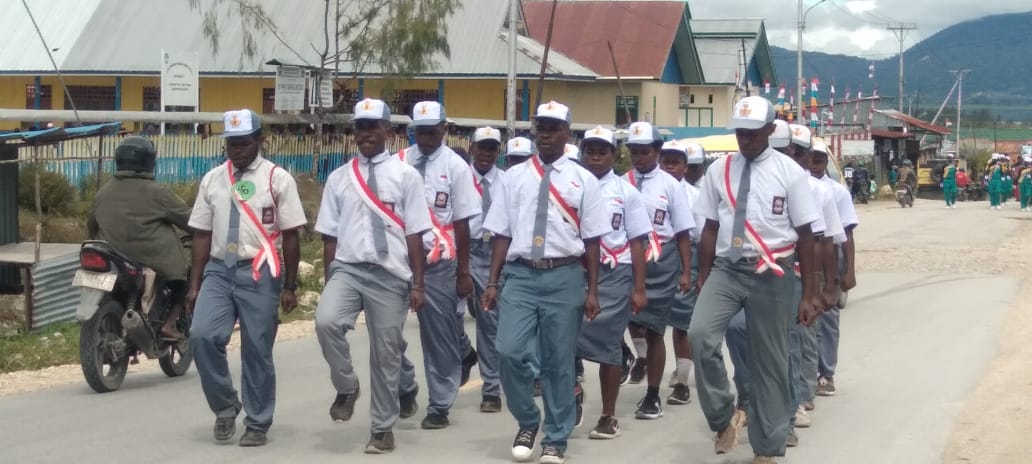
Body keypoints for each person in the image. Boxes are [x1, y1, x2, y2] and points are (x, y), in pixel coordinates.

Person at [687, 96, 820, 464]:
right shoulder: (719, 171)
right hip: (727, 270)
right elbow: (710, 227)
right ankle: (723, 415)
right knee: (700, 335)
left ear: (770, 129)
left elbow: (807, 235)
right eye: (740, 132)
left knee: (770, 362)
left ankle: (767, 447)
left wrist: (808, 293)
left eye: (752, 132)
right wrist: (703, 277)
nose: (745, 139)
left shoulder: (790, 172)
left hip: (772, 272)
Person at [481, 100, 610, 464]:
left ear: (568, 134)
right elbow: (501, 233)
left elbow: (593, 240)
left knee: (557, 361)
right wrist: (492, 281)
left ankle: (556, 438)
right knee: (509, 350)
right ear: (534, 131)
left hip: (565, 274)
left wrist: (593, 290)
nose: (547, 134)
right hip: (520, 274)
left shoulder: (583, 179)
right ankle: (527, 419)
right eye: (542, 127)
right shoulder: (514, 177)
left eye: (555, 128)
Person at [313, 98, 433, 454]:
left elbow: (415, 233)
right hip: (348, 269)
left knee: (385, 353)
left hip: (390, 274)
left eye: (372, 127)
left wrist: (419, 283)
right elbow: (329, 235)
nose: (365, 134)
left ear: (388, 131)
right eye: (359, 128)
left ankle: (382, 428)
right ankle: (347, 386)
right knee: (326, 321)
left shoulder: (406, 175)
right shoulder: (339, 177)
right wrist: (328, 276)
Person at [187, 109, 307, 447]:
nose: (236, 150)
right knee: (202, 336)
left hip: (260, 270)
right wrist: (194, 285)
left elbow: (292, 234)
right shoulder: (213, 179)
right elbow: (200, 233)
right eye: (231, 144)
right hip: (218, 270)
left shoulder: (277, 179)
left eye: (243, 143)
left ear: (259, 140)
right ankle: (225, 406)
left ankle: (257, 421)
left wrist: (290, 286)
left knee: (257, 349)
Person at [396, 101, 481, 430]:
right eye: (421, 131)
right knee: (387, 333)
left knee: (438, 337)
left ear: (444, 129)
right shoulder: (399, 162)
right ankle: (405, 384)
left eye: (433, 131)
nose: (427, 138)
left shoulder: (456, 167)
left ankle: (440, 404)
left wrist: (464, 272)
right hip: (399, 262)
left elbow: (462, 224)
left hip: (438, 264)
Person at [575, 126, 650, 440]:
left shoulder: (627, 193)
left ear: (613, 155)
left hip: (614, 273)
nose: (595, 157)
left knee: (607, 345)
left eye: (602, 151)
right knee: (563, 337)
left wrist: (639, 287)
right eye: (590, 150)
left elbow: (637, 240)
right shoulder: (571, 186)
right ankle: (573, 391)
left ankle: (608, 415)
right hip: (575, 272)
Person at [622, 121, 695, 421]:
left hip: (661, 262)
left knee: (655, 330)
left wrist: (686, 272)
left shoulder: (671, 185)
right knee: (619, 321)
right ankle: (630, 356)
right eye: (634, 151)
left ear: (657, 151)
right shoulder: (620, 181)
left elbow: (682, 233)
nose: (639, 157)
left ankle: (652, 394)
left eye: (645, 151)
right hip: (624, 258)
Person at [87, 136, 192, 341]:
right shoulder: (158, 192)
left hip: (112, 257)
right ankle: (170, 324)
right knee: (183, 277)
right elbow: (189, 221)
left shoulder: (104, 192)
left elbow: (91, 225)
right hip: (151, 259)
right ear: (149, 162)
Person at [658, 140, 707, 406]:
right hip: (656, 258)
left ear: (685, 167)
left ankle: (682, 381)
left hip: (686, 257)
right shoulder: (647, 190)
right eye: (665, 161)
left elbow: (701, 236)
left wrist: (697, 273)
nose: (669, 167)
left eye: (675, 162)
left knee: (681, 323)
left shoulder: (694, 195)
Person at [810, 140, 859, 400]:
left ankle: (826, 373)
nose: (815, 165)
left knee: (828, 317)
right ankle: (806, 373)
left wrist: (849, 270)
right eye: (811, 159)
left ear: (825, 162)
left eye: (819, 160)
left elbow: (847, 234)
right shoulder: (799, 186)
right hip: (807, 256)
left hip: (832, 255)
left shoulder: (837, 192)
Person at [468, 126, 506, 413]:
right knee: (446, 315)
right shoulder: (459, 178)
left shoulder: (506, 181)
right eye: (482, 147)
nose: (486, 153)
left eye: (492, 148)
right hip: (458, 249)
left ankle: (491, 389)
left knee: (488, 320)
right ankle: (462, 353)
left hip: (492, 252)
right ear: (472, 148)